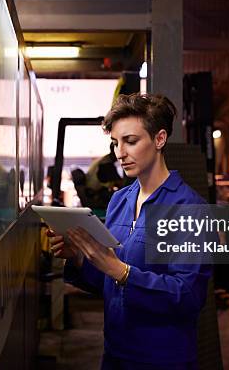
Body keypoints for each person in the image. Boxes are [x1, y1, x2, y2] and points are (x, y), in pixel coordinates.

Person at [47, 93, 212, 369]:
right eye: (115, 143)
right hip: (115, 354)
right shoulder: (120, 201)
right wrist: (80, 257)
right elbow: (109, 283)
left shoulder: (188, 208)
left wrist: (121, 271)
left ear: (160, 139)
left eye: (131, 141)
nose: (120, 153)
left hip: (163, 359)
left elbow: (188, 296)